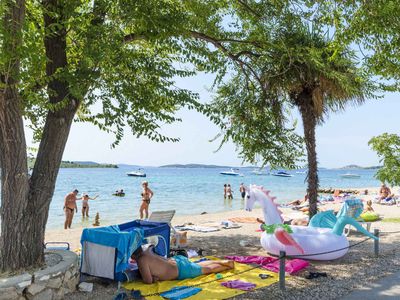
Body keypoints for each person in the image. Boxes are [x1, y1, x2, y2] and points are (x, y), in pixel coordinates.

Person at [132, 246, 234, 284]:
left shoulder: (141, 259)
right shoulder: (146, 250)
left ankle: (225, 265)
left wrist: (154, 278)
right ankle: (221, 262)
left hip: (179, 270)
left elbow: (148, 281)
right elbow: (152, 248)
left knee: (205, 270)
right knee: (197, 265)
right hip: (176, 260)